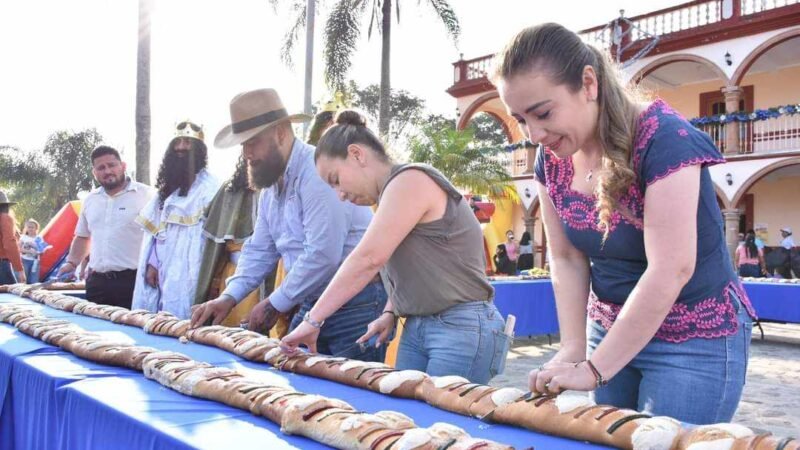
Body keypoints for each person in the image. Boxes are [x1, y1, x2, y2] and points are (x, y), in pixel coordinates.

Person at [493, 23, 755, 424]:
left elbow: (672, 269)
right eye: (521, 119)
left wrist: (595, 369)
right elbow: (565, 256)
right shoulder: (551, 158)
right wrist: (574, 348)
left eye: (543, 113)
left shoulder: (666, 139)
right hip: (608, 327)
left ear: (588, 84)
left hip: (693, 335)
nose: (535, 134)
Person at [279, 109, 508, 384]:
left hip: (460, 326)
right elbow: (415, 265)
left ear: (357, 154)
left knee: (441, 424)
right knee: (405, 420)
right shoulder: (390, 195)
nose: (339, 195)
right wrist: (390, 311)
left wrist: (313, 320)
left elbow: (368, 258)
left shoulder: (410, 180)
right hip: (417, 325)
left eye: (336, 180)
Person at [190, 88, 386, 363]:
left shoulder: (317, 173)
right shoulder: (271, 185)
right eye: (243, 145)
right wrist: (228, 298)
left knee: (350, 398)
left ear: (281, 132)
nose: (247, 153)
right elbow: (260, 248)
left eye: (253, 142)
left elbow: (323, 254)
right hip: (314, 302)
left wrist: (273, 304)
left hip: (356, 303)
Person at [132, 121, 220, 319]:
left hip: (194, 266)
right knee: (160, 317)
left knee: (186, 315)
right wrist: (152, 263)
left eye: (187, 143)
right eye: (177, 142)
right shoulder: (167, 189)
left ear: (198, 149)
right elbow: (155, 232)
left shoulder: (213, 188)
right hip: (164, 266)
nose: (181, 147)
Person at [57, 146, 154, 307]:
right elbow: (82, 237)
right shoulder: (90, 200)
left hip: (134, 283)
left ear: (123, 166)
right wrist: (72, 263)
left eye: (112, 165)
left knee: (132, 330)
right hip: (97, 284)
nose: (107, 171)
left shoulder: (147, 196)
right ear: (94, 173)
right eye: (101, 168)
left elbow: (160, 237)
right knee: (93, 331)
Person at [194, 154, 263, 327]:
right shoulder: (229, 191)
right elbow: (216, 249)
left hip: (273, 277)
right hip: (234, 275)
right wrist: (214, 282)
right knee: (230, 332)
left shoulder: (281, 189)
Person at [0, 191, 25, 285]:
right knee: (11, 297)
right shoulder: (4, 218)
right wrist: (19, 269)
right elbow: (9, 244)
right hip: (1, 265)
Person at [19, 219, 50, 283]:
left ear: (36, 228)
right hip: (24, 260)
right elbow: (19, 248)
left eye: (32, 227)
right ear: (26, 228)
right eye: (29, 227)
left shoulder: (39, 238)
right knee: (24, 278)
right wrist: (29, 251)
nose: (30, 229)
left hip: (35, 261)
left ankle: (33, 289)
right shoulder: (23, 237)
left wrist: (40, 251)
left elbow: (41, 249)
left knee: (34, 279)